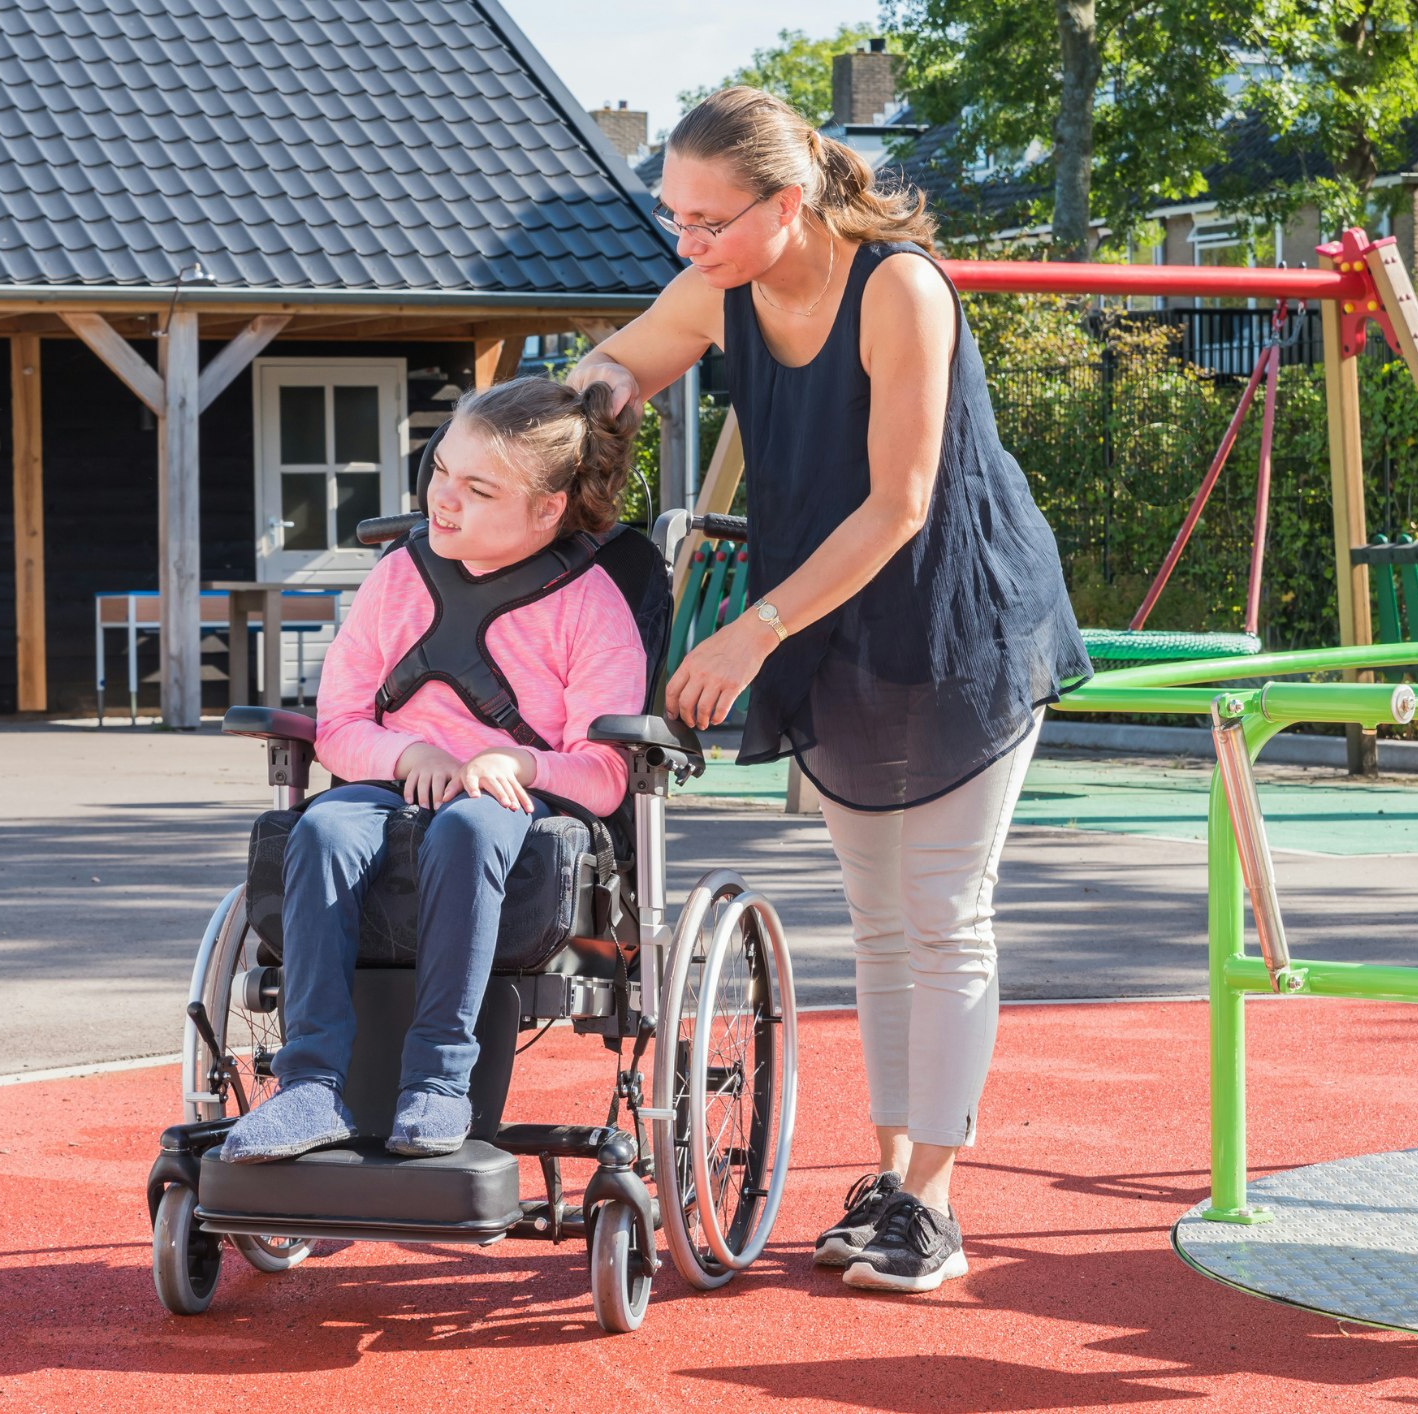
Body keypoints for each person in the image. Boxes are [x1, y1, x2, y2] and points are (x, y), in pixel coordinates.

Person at [568, 86, 1089, 1293]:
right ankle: (893, 1183)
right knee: (876, 919)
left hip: (959, 608)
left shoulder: (897, 287)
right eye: (674, 219)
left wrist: (749, 634)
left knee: (943, 907)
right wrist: (581, 403)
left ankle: (935, 1206)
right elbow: (618, 360)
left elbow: (901, 506)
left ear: (786, 202)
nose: (684, 245)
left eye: (706, 221)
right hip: (833, 617)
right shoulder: (719, 293)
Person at [221, 378, 647, 1163]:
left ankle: (440, 1084)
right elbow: (339, 728)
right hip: (388, 788)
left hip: (513, 805)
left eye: (478, 489)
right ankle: (309, 1084)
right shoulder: (394, 581)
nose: (443, 499)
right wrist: (407, 753)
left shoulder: (591, 608)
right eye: (441, 470)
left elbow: (605, 772)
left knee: (468, 829)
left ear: (547, 510)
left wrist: (513, 759)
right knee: (318, 828)